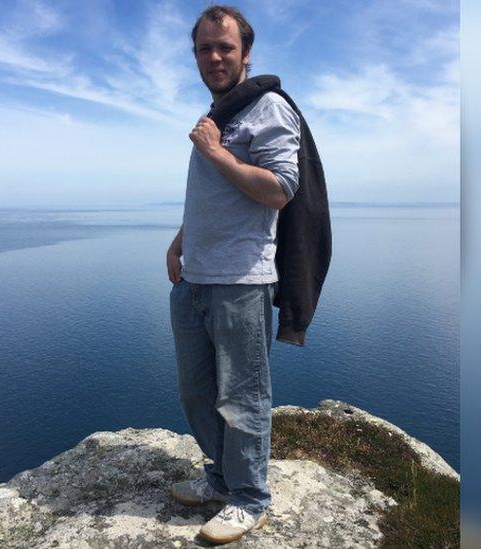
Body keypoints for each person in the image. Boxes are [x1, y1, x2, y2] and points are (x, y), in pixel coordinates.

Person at [166, 5, 301, 544]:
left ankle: (250, 498)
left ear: (246, 52)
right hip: (195, 275)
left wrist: (215, 151)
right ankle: (221, 477)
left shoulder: (267, 108)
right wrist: (179, 243)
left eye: (225, 47)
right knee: (196, 392)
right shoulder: (218, 113)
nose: (214, 56)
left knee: (242, 397)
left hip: (242, 279)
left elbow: (280, 190)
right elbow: (209, 198)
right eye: (204, 48)